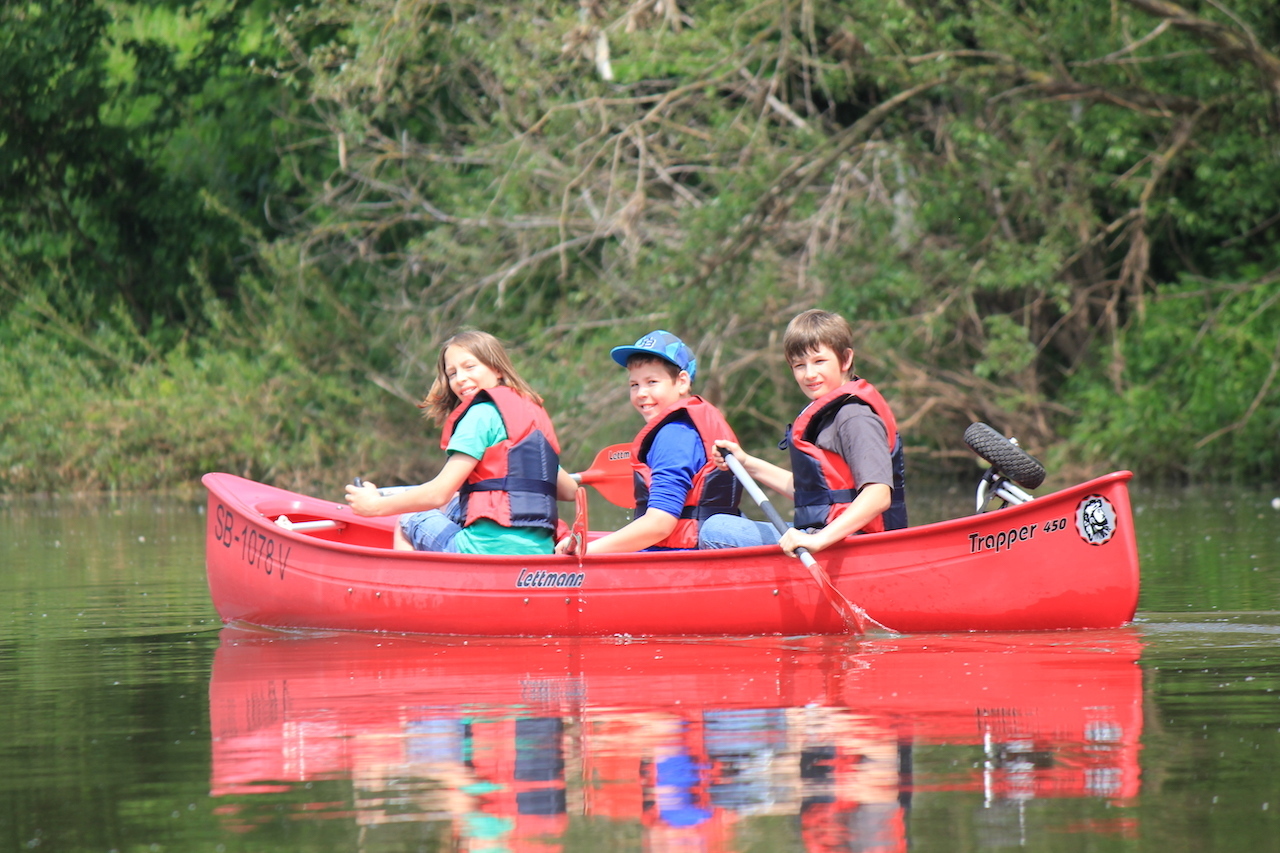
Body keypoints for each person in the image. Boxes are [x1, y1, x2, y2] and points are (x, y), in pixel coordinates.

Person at [345, 330, 577, 554]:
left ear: (497, 368)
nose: (461, 379)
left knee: (409, 520)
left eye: (469, 367)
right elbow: (569, 490)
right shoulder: (531, 420)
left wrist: (375, 506)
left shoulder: (480, 415)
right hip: (538, 552)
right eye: (452, 373)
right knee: (457, 502)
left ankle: (408, 580)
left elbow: (438, 494)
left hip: (482, 552)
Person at [706, 309, 907, 555]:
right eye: (799, 365)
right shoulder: (830, 415)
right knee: (728, 523)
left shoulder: (855, 417)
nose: (809, 374)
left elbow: (878, 495)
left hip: (852, 545)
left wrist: (819, 540)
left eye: (819, 361)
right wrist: (746, 462)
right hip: (828, 537)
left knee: (715, 530)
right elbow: (810, 494)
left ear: (845, 360)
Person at [555, 330, 759, 554]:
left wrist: (586, 550)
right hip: (697, 550)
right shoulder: (686, 428)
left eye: (652, 382)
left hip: (683, 557)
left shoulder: (675, 435)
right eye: (634, 384)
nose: (641, 393)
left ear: (682, 382)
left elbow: (660, 524)